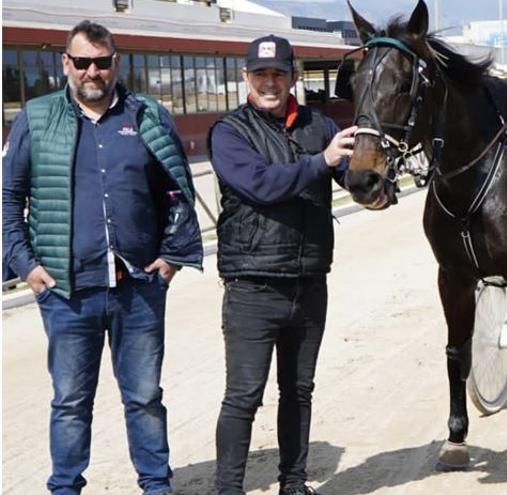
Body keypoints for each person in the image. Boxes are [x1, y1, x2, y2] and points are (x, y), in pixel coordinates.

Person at [2, 20, 202, 495]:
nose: (93, 71)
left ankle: (156, 485)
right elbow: (9, 198)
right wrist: (26, 266)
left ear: (117, 63)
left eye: (103, 61)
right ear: (66, 64)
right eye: (83, 61)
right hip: (68, 291)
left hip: (138, 287)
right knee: (70, 400)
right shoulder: (36, 117)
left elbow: (176, 189)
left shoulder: (148, 114)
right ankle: (65, 487)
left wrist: (171, 258)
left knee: (145, 397)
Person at [207, 35, 356, 495]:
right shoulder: (229, 131)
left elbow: (352, 175)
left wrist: (372, 175)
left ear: (293, 77)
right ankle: (228, 489)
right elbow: (262, 185)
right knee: (243, 396)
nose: (270, 82)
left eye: (278, 74)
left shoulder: (320, 125)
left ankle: (294, 483)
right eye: (261, 74)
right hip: (253, 285)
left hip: (309, 281)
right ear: (246, 78)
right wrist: (323, 161)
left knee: (298, 391)